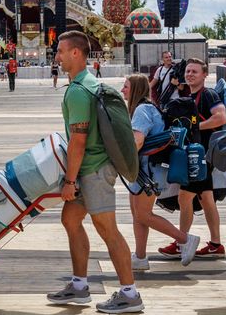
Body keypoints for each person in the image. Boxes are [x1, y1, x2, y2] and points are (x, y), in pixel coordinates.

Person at [47, 31, 143, 313]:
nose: (58, 56)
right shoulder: (87, 83)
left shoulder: (78, 91)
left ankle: (130, 294)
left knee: (107, 230)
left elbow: (78, 140)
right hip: (88, 168)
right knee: (70, 220)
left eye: (61, 51)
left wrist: (69, 181)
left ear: (76, 53)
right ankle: (79, 286)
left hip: (93, 171)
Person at [121, 74, 199, 271]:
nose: (122, 90)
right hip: (145, 170)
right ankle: (139, 257)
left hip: (149, 171)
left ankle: (185, 239)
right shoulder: (147, 108)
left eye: (126, 87)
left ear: (136, 90)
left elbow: (137, 141)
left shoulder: (142, 109)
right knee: (138, 214)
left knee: (143, 214)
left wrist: (120, 159)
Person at [158, 58, 226, 260]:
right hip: (199, 154)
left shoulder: (208, 95)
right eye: (188, 71)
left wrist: (194, 128)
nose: (190, 75)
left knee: (184, 197)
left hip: (201, 156)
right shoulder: (189, 95)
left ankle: (182, 242)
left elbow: (221, 118)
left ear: (205, 75)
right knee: (206, 199)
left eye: (195, 72)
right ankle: (215, 244)